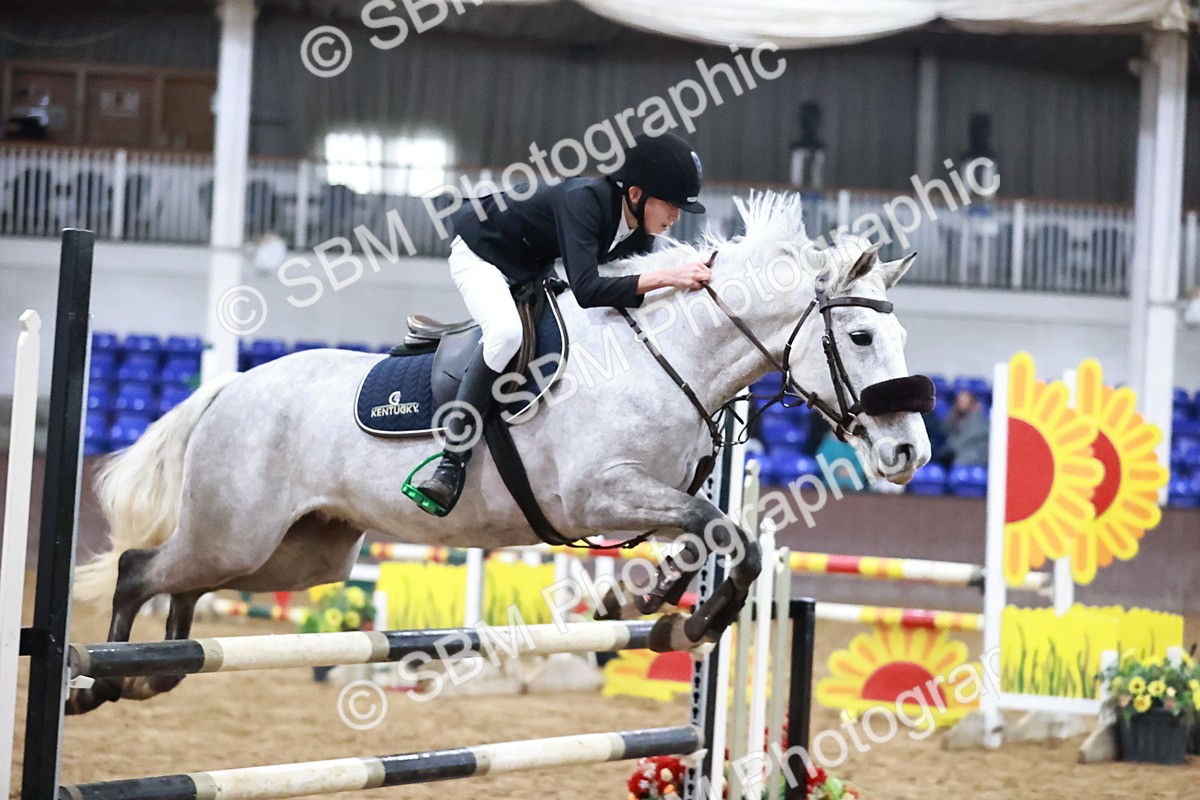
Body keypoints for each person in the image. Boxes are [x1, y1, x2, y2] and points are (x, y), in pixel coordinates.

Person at [410, 132, 714, 516]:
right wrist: (670, 276)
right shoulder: (583, 201)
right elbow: (588, 289)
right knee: (505, 335)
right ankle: (451, 463)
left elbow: (624, 291)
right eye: (670, 205)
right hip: (482, 253)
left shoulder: (639, 234)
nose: (675, 217)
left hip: (530, 266)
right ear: (636, 195)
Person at [940, 390, 989, 467]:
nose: (962, 405)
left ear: (973, 404)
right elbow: (943, 431)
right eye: (959, 402)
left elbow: (957, 444)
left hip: (975, 456)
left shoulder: (976, 420)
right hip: (962, 455)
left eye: (965, 402)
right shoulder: (955, 419)